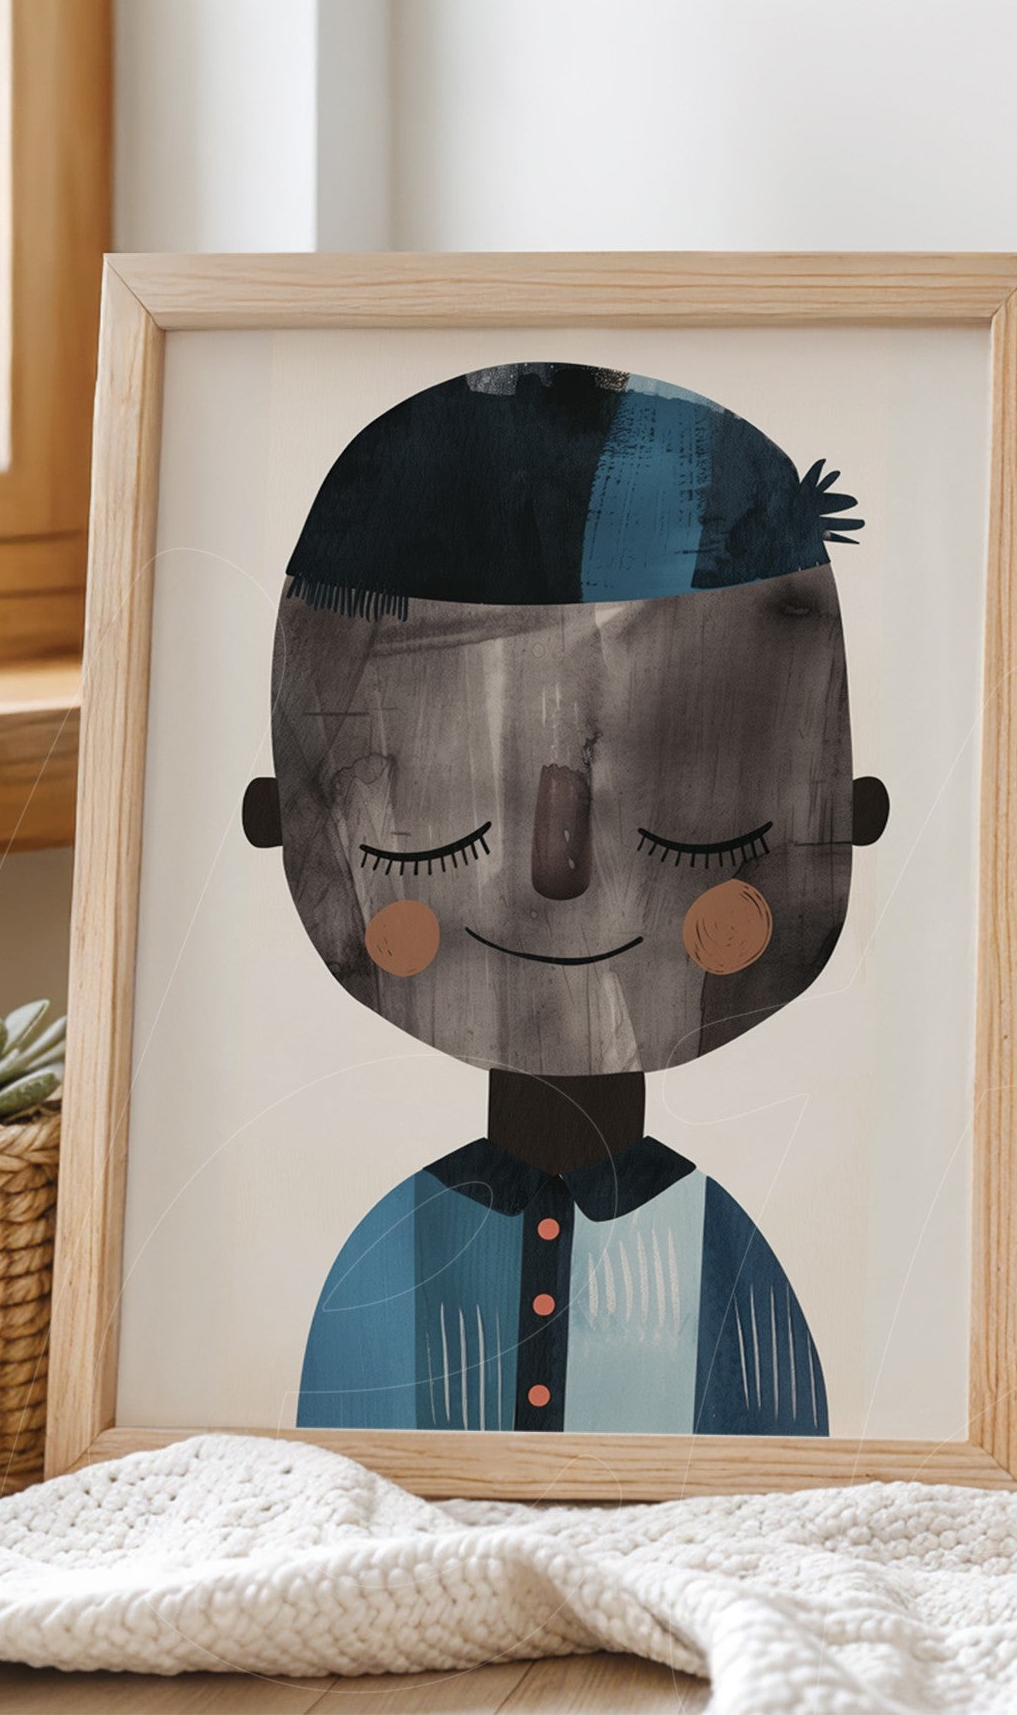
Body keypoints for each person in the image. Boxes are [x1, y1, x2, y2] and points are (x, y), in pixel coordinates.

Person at [241, 362, 888, 1434]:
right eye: (439, 822)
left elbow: (779, 1487)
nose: (561, 868)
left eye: (696, 817)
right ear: (289, 820)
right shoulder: (379, 1267)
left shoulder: (725, 1265)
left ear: (841, 819)